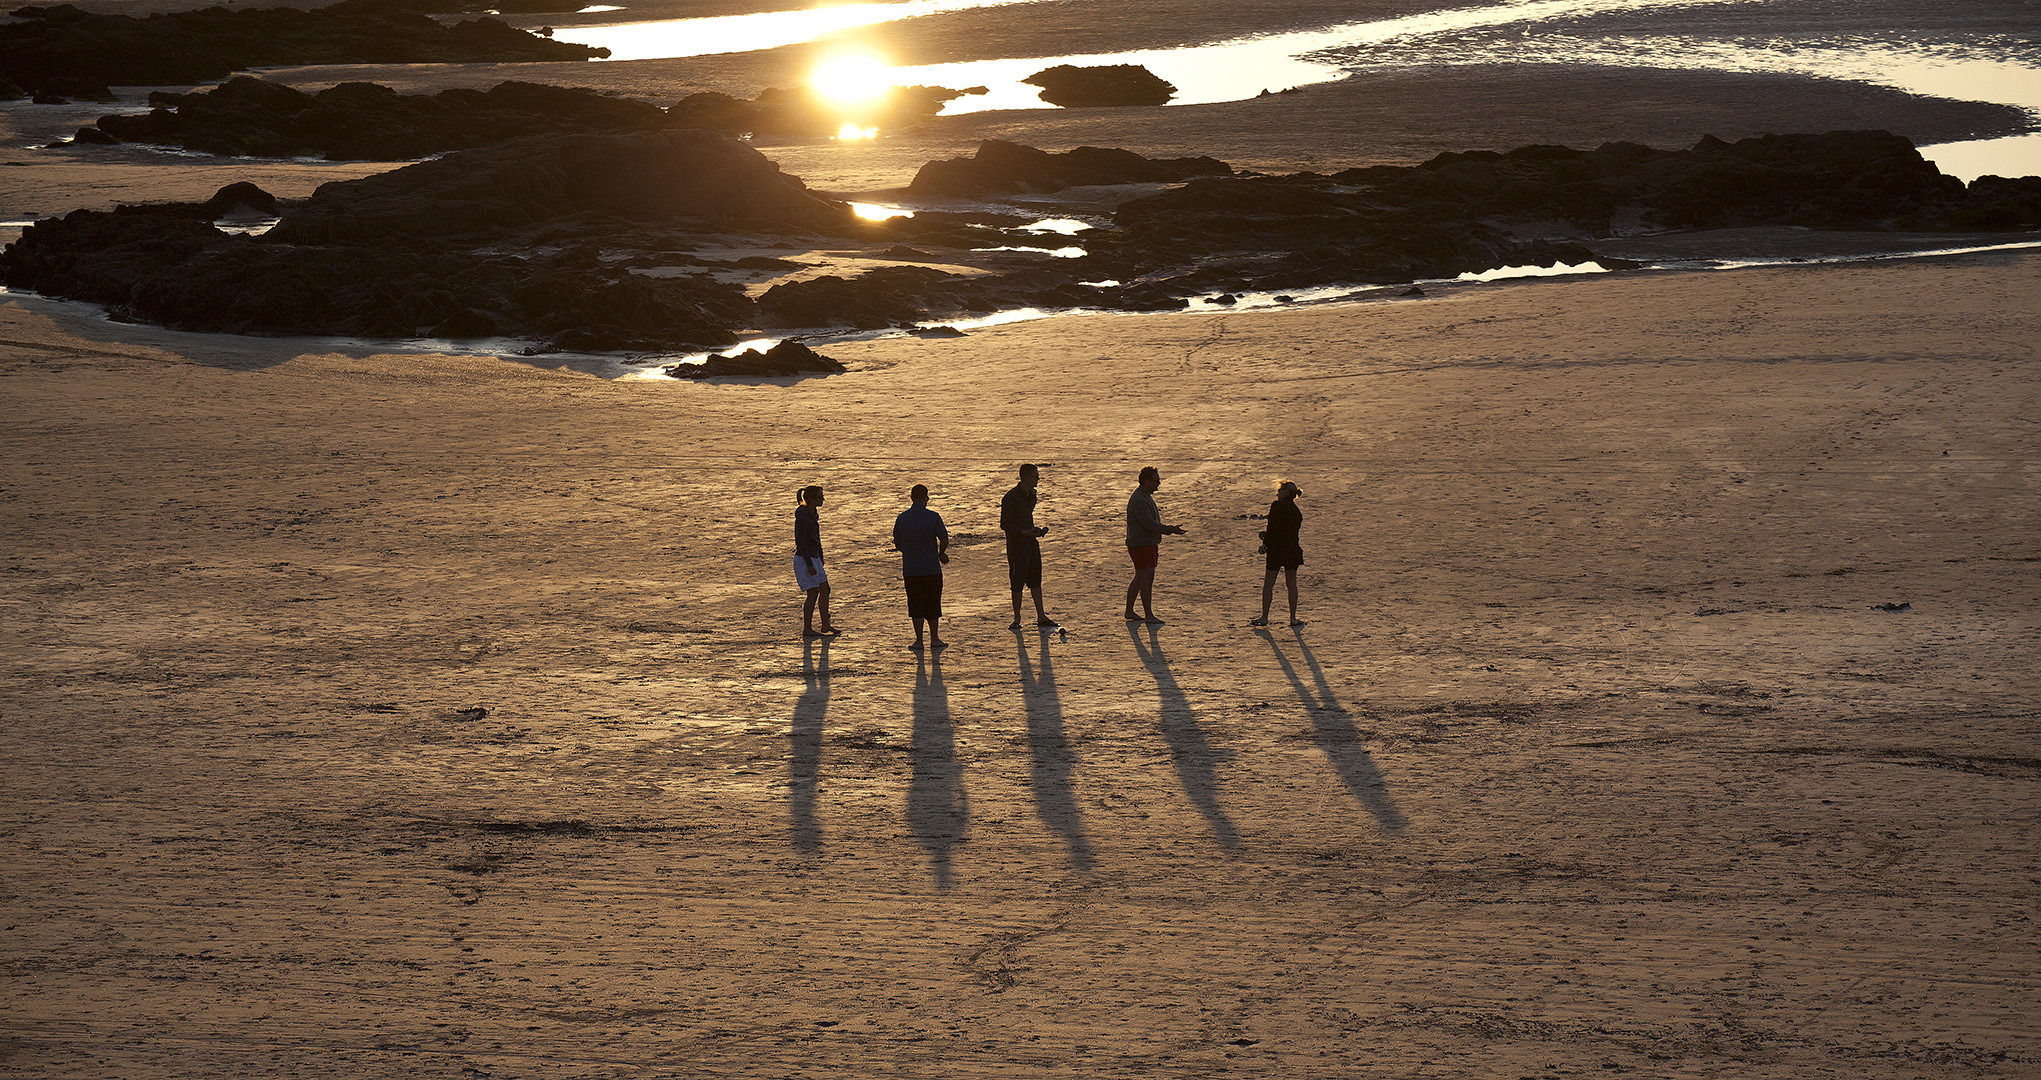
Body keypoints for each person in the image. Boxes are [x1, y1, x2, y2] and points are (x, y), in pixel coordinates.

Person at [1123, 466, 1185, 624]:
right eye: (1156, 481)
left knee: (1139, 576)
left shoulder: (1144, 496)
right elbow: (1149, 524)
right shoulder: (1139, 500)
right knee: (1146, 577)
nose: (1159, 484)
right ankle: (1148, 614)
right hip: (1141, 545)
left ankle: (1130, 611)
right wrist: (1171, 530)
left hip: (1143, 543)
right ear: (1146, 481)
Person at [892, 483, 951, 650]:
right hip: (931, 568)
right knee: (933, 603)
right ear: (926, 497)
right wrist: (941, 553)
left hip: (911, 569)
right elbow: (944, 539)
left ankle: (919, 640)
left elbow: (898, 544)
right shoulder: (933, 516)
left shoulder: (902, 518)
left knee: (915, 604)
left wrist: (910, 551)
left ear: (911, 498)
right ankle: (934, 638)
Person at [1000, 463, 1057, 630]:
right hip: (1017, 545)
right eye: (1034, 476)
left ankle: (1041, 615)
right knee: (1017, 582)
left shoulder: (1031, 494)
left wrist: (1036, 532)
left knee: (1035, 580)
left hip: (1030, 543)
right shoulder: (1010, 497)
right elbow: (1004, 524)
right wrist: (1023, 532)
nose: (1038, 479)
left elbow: (1027, 517)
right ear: (1025, 478)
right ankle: (1017, 618)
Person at [1251, 480, 1305, 627]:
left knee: (1269, 584)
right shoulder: (1296, 511)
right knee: (1291, 584)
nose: (1277, 493)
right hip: (1292, 550)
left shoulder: (1277, 506)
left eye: (1280, 490)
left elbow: (1274, 527)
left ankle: (1264, 617)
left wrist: (1265, 543)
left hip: (1276, 550)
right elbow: (1288, 531)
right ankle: (1293, 618)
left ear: (1286, 492)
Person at [793, 485, 837, 637]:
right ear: (812, 499)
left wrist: (820, 555)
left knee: (825, 589)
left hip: (814, 557)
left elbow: (816, 538)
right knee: (812, 593)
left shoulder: (813, 514)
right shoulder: (803, 516)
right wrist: (809, 563)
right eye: (820, 497)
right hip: (805, 559)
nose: (823, 499)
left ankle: (825, 625)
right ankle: (807, 629)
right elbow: (800, 541)